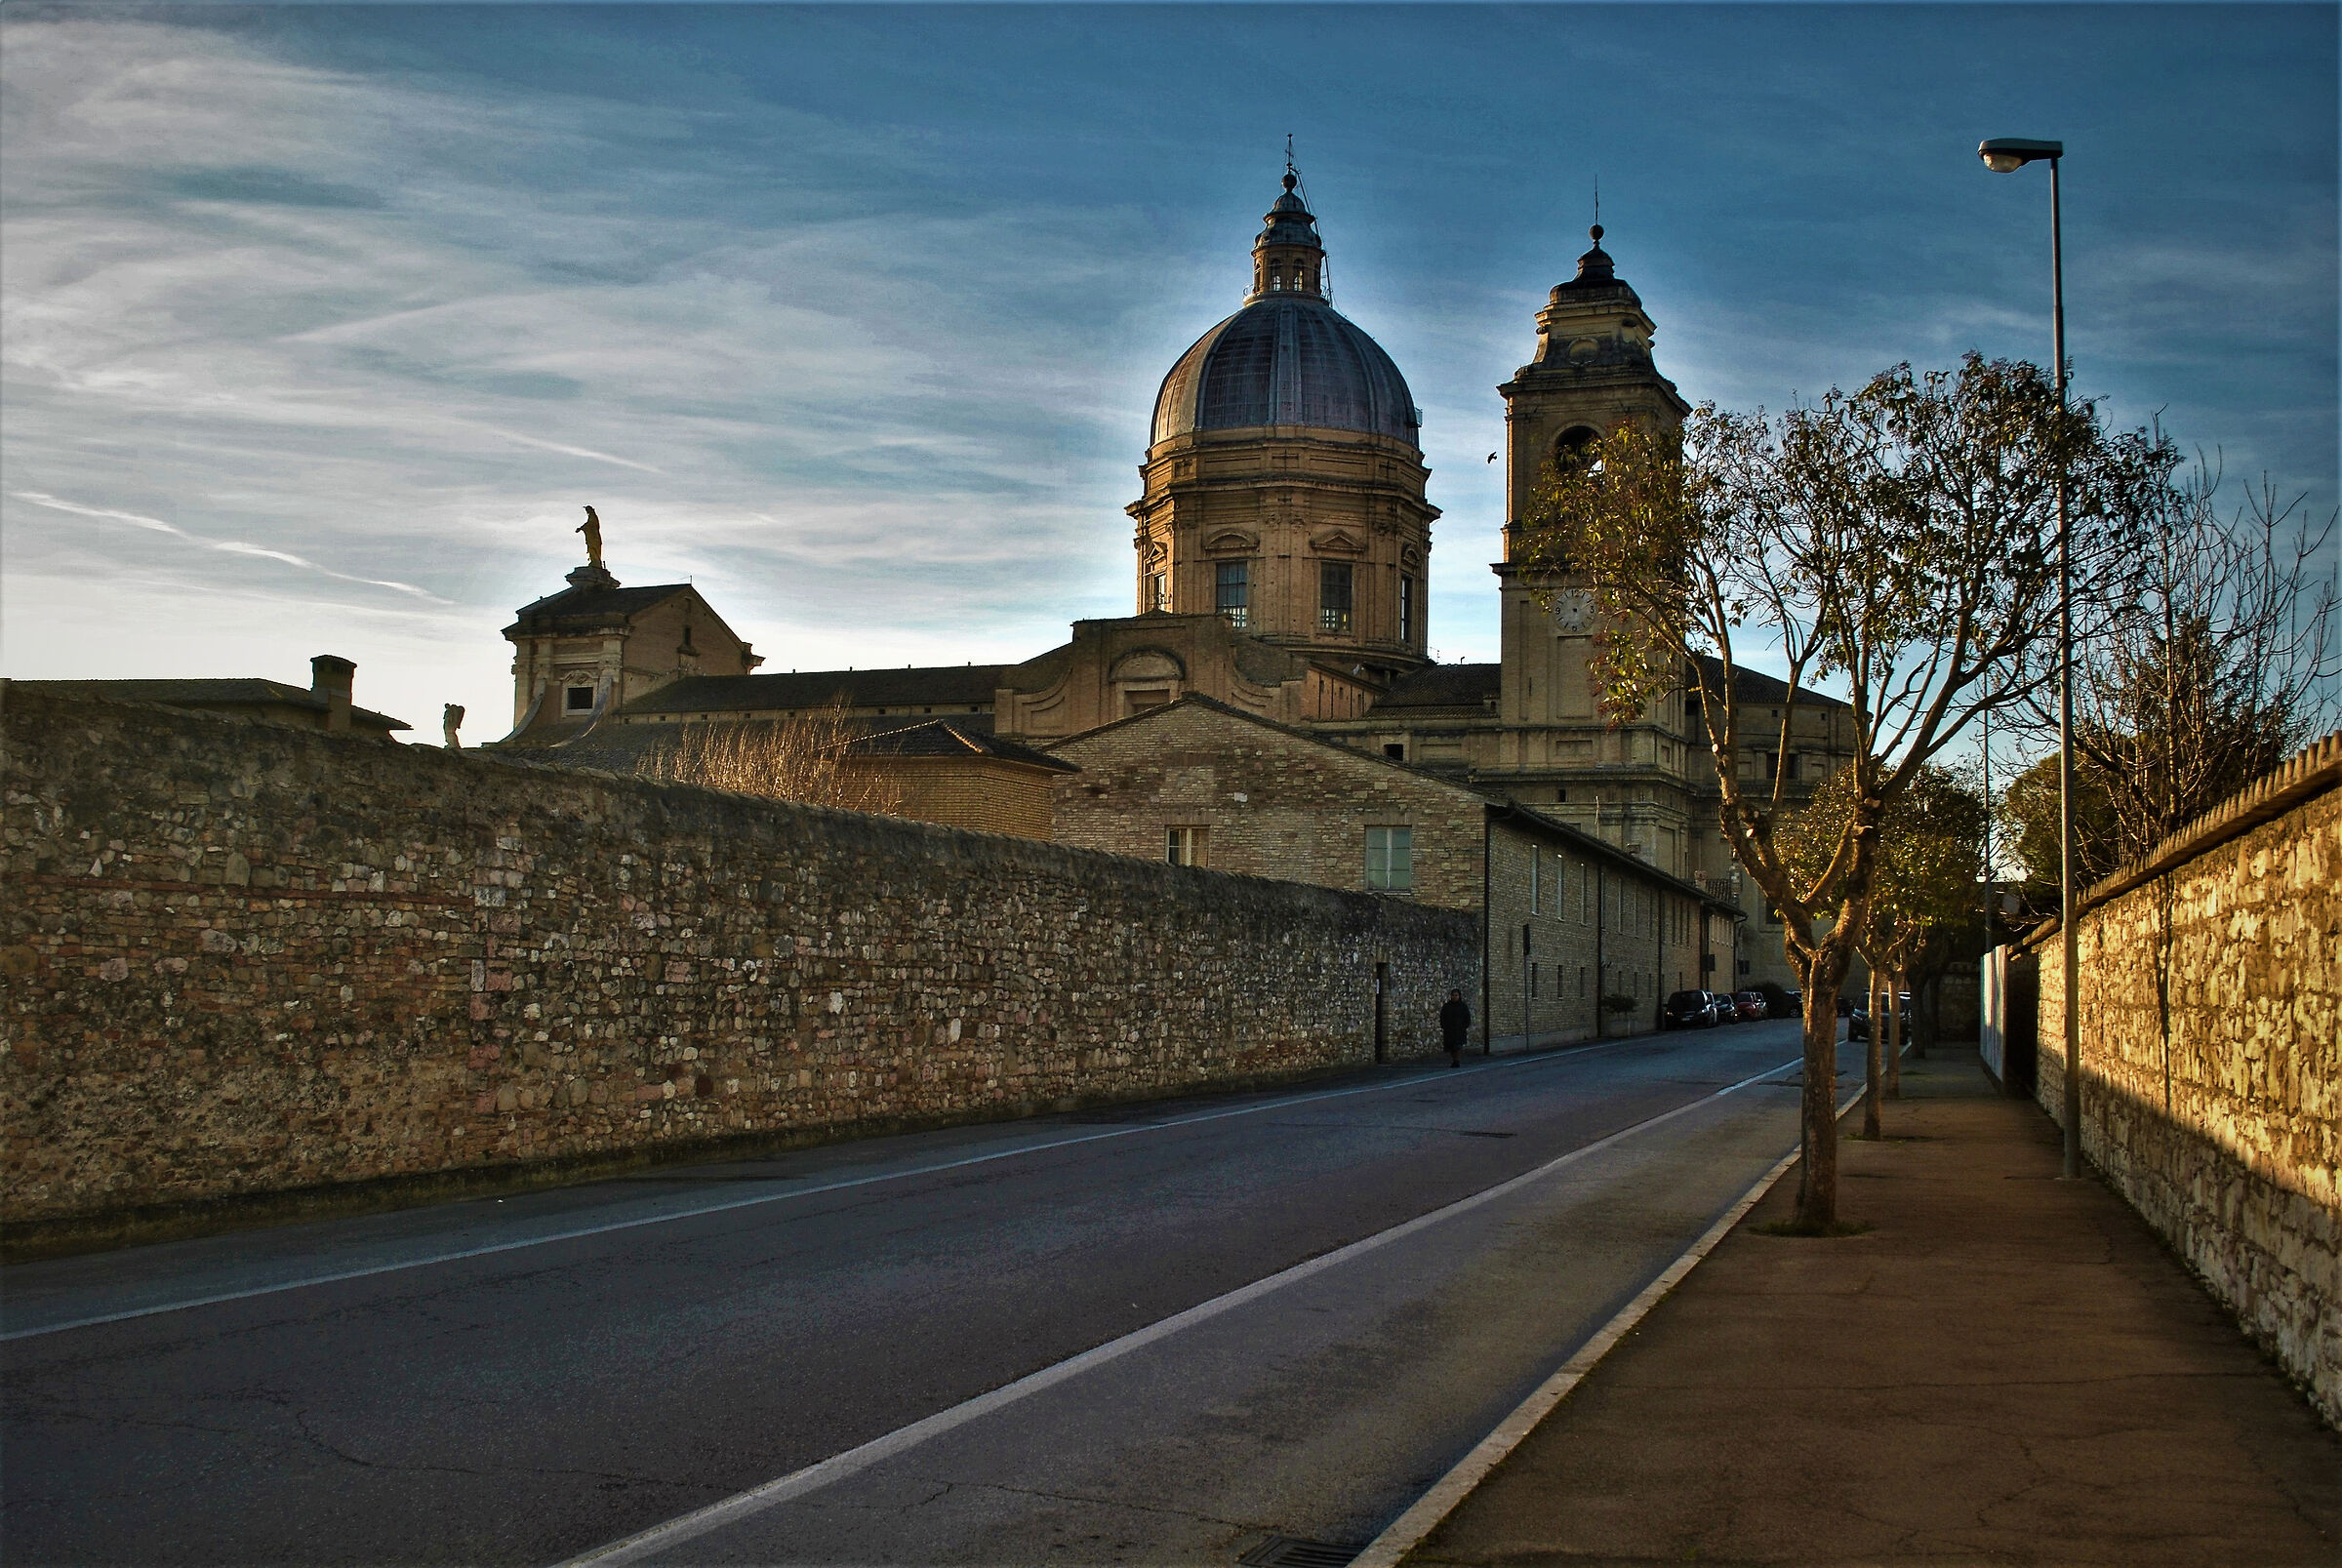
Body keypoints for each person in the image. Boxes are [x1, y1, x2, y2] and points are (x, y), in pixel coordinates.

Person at [1439, 988, 1471, 1068]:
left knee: (1458, 1046)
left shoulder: (1463, 1006)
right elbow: (1442, 1017)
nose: (1454, 997)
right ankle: (1454, 1060)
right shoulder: (1447, 1006)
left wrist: (1465, 1026)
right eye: (1453, 995)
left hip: (1459, 1030)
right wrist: (1444, 1026)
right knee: (1451, 1047)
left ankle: (1457, 1061)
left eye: (1456, 995)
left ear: (1459, 996)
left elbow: (1467, 1017)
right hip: (1449, 1030)